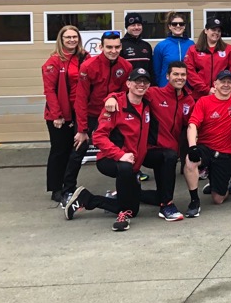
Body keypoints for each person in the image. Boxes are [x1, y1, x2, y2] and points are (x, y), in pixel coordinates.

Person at [63, 68, 152, 231]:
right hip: (109, 160)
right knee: (125, 173)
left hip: (132, 164)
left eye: (145, 81)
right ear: (128, 84)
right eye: (137, 81)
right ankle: (122, 216)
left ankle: (87, 199)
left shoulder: (147, 104)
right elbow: (98, 137)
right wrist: (120, 155)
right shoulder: (116, 106)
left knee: (135, 209)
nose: (141, 84)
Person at [101, 65, 190, 220]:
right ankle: (167, 205)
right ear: (167, 76)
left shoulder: (188, 100)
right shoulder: (154, 93)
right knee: (169, 156)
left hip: (168, 151)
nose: (179, 77)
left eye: (183, 74)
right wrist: (111, 97)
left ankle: (124, 194)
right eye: (175, 74)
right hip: (149, 150)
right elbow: (128, 94)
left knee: (158, 194)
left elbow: (193, 123)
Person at [60, 31, 132, 204]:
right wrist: (82, 129)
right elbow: (81, 98)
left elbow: (124, 93)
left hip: (113, 115)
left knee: (121, 150)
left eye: (116, 47)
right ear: (101, 47)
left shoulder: (126, 66)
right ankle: (68, 191)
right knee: (78, 150)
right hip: (91, 115)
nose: (113, 50)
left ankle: (121, 188)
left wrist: (113, 98)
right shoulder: (88, 66)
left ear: (121, 47)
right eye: (109, 47)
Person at [183, 69, 231, 216]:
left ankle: (216, 182)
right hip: (206, 147)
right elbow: (192, 125)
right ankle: (194, 201)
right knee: (190, 161)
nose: (226, 85)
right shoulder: (204, 101)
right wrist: (192, 146)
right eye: (222, 82)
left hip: (225, 152)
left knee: (219, 198)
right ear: (215, 84)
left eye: (229, 82)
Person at [42, 25, 86, 202]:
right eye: (67, 37)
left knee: (75, 151)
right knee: (60, 151)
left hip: (79, 111)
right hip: (60, 115)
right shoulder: (53, 62)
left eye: (74, 37)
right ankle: (56, 188)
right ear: (61, 40)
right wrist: (56, 115)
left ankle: (69, 186)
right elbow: (50, 91)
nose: (71, 40)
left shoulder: (83, 57)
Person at [185, 16, 231, 94]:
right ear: (206, 31)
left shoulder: (228, 49)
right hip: (198, 93)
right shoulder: (193, 49)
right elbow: (190, 72)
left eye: (219, 31)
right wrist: (206, 89)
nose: (216, 33)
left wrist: (224, 86)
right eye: (213, 30)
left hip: (222, 92)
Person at [152, 12, 194, 87]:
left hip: (187, 88)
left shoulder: (191, 45)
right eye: (174, 24)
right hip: (166, 87)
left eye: (181, 24)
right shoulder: (161, 46)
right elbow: (156, 71)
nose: (178, 26)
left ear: (184, 26)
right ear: (169, 26)